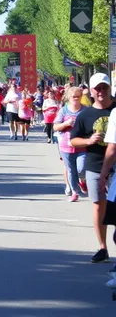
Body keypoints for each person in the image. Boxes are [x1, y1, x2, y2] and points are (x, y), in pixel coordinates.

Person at [72, 73, 116, 263]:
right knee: (99, 205)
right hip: (96, 164)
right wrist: (89, 140)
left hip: (115, 166)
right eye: (97, 88)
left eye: (104, 87)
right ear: (90, 91)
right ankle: (102, 247)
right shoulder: (85, 115)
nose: (101, 91)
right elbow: (74, 139)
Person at [54, 86, 86, 202]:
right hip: (66, 146)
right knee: (71, 170)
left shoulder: (85, 110)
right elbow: (55, 126)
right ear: (69, 97)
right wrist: (66, 124)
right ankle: (75, 192)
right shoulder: (64, 110)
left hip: (81, 145)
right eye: (74, 97)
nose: (76, 99)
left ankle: (83, 180)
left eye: (78, 96)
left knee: (81, 168)